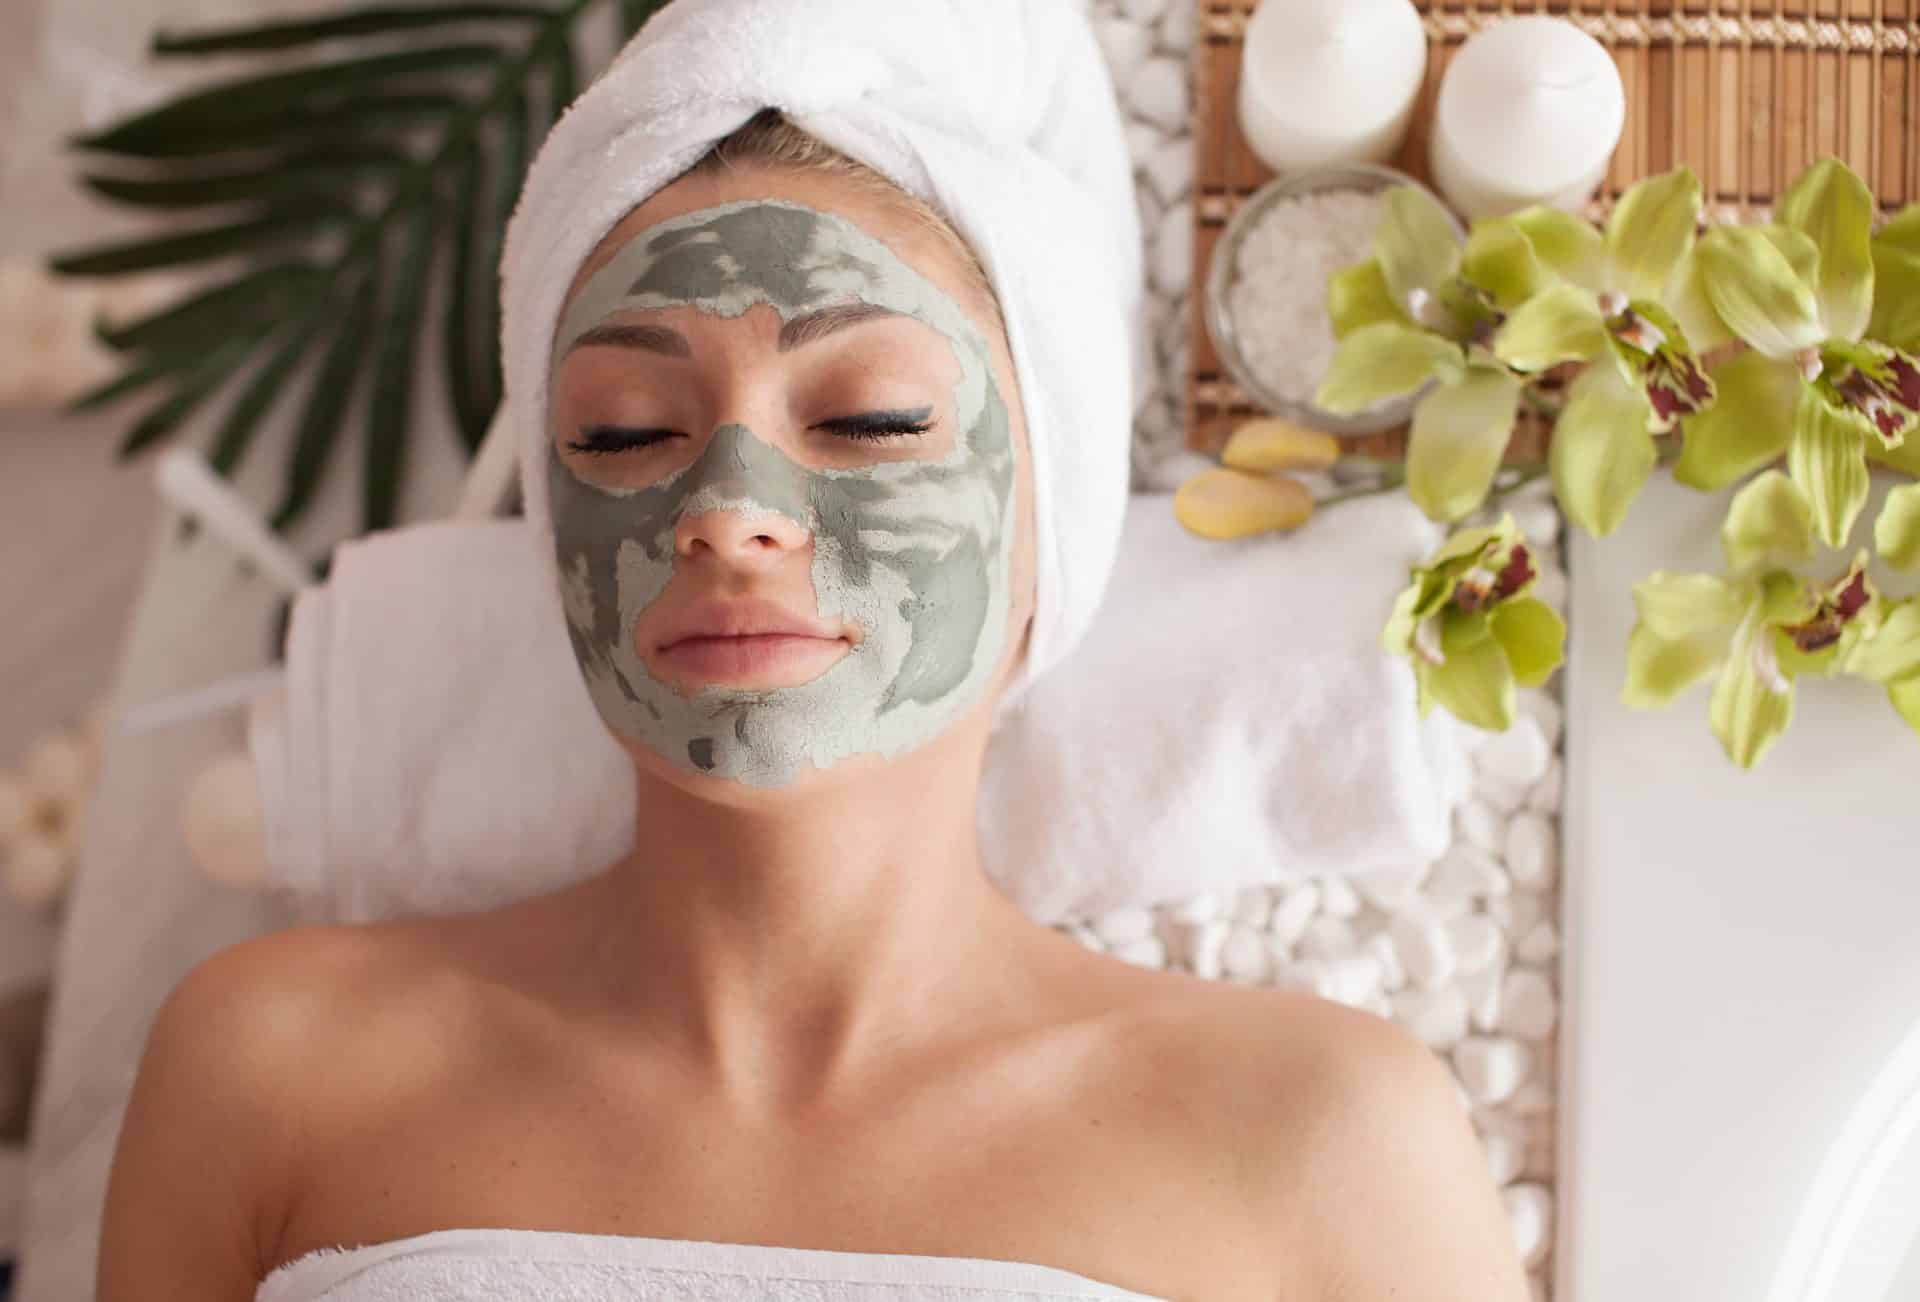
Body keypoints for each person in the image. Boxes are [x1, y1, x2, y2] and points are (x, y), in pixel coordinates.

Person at [92, 103, 1531, 1302]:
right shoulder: (268, 1062)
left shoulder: (1325, 1135)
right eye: (624, 433)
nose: (727, 513)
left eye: (869, 420)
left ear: (1055, 529)